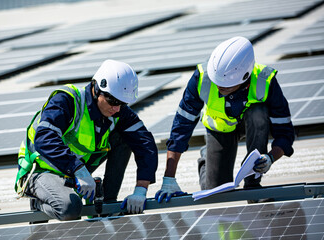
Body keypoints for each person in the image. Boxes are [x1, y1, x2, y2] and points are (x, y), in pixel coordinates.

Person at [155, 36, 295, 203]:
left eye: (227, 85)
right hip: (220, 129)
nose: (219, 87)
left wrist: (270, 158)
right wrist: (169, 179)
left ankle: (252, 185)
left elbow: (285, 132)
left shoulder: (265, 80)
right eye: (217, 81)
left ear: (245, 78)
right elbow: (181, 127)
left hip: (254, 124)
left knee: (258, 112)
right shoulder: (202, 78)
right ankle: (207, 157)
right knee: (215, 193)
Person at [15, 59, 158, 220]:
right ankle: (38, 202)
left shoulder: (117, 111)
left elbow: (145, 143)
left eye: (122, 104)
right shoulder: (67, 101)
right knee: (70, 209)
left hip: (72, 171)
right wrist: (78, 170)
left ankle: (106, 203)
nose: (117, 108)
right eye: (113, 101)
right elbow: (44, 139)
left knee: (125, 138)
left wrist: (141, 189)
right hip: (40, 171)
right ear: (96, 89)